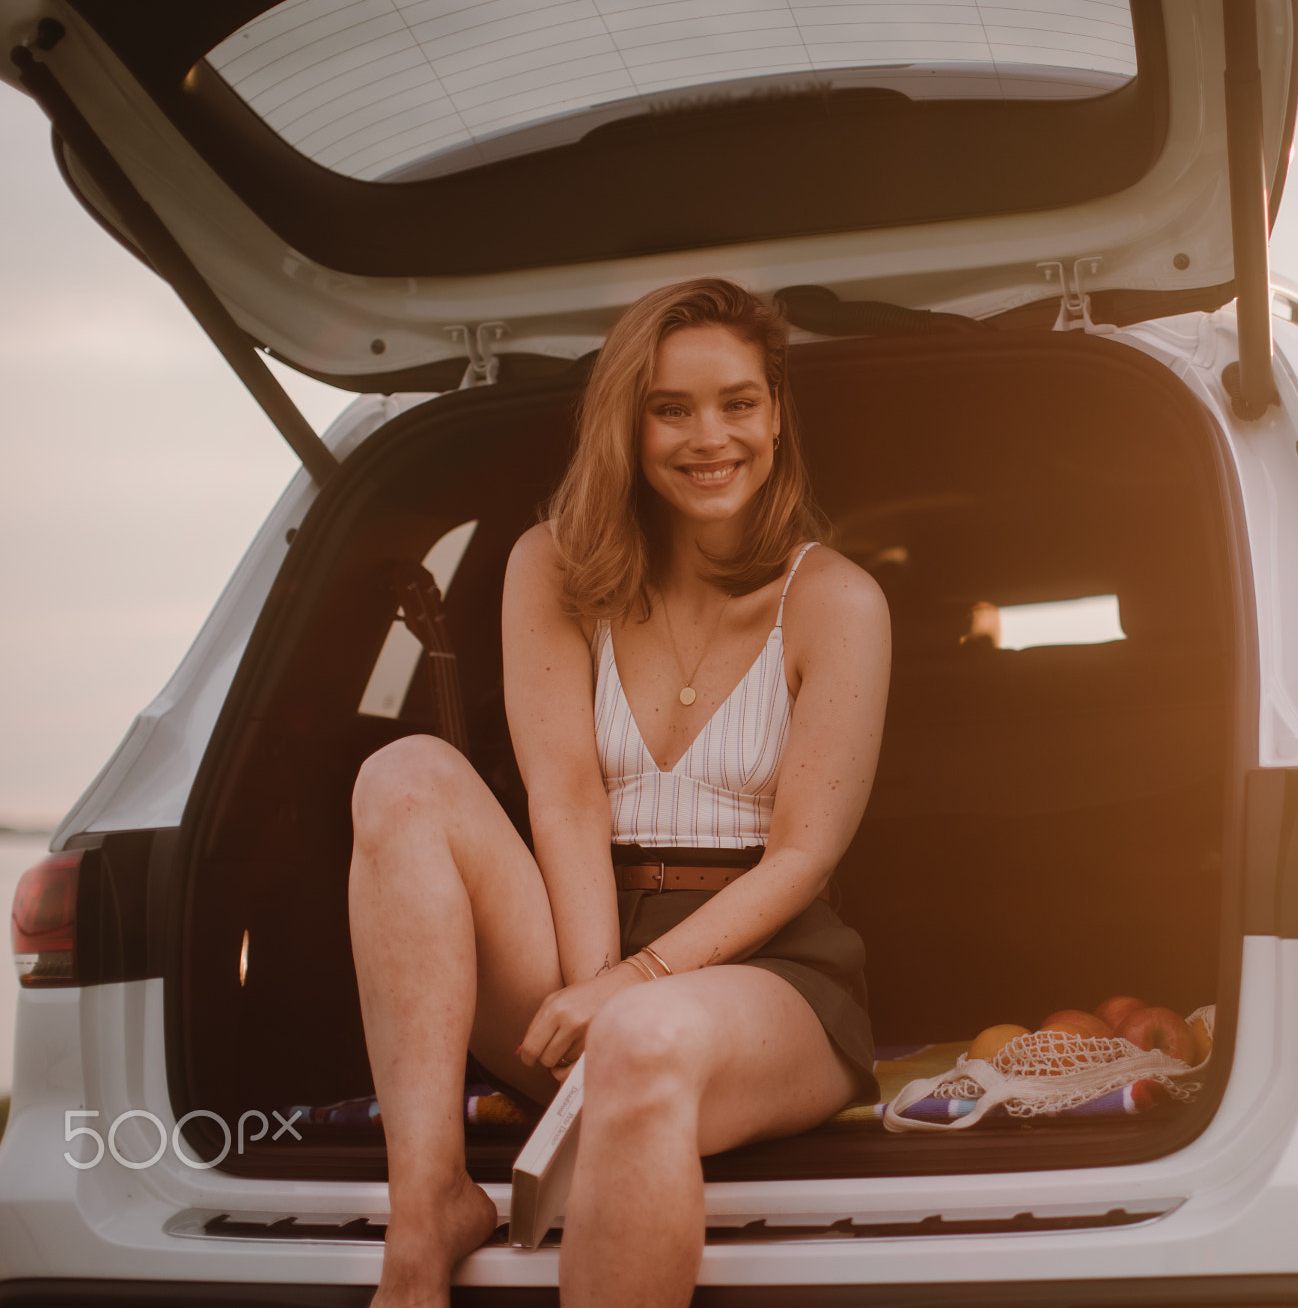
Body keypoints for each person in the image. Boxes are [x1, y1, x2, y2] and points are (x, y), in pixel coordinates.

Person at [347, 277, 891, 1306]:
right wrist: (591, 983)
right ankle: (424, 1217)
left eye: (737, 402)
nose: (709, 436)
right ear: (627, 426)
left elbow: (802, 858)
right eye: (670, 408)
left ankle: (621, 1043)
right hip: (578, 936)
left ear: (775, 414)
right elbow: (566, 802)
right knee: (402, 776)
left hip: (768, 975)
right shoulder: (551, 566)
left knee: (643, 1038)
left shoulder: (836, 600)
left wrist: (630, 990)